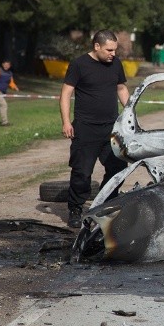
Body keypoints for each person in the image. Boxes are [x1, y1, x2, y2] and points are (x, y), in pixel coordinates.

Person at [60, 30, 130, 229]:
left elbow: (121, 89)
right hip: (85, 128)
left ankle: (107, 204)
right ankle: (75, 208)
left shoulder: (115, 64)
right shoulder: (79, 64)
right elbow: (66, 93)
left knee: (117, 168)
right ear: (97, 46)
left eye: (115, 50)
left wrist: (130, 112)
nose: (113, 54)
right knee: (82, 172)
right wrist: (66, 122)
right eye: (109, 50)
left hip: (111, 127)